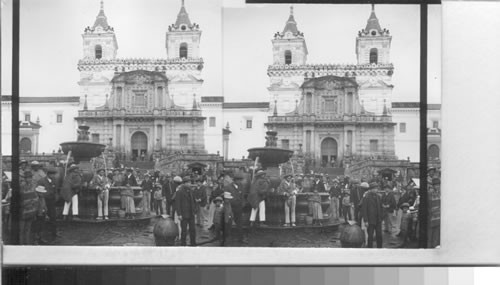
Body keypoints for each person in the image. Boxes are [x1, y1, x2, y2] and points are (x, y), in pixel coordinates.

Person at [36, 167, 58, 241]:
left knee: (53, 217)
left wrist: (55, 197)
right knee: (42, 219)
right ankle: (40, 236)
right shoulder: (41, 181)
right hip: (44, 201)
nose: (54, 176)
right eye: (52, 174)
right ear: (48, 174)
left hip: (51, 202)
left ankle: (54, 233)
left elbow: (55, 190)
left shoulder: (54, 180)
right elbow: (39, 193)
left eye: (54, 174)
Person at [175, 176, 197, 246]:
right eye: (188, 182)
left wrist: (195, 211)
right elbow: (177, 204)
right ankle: (183, 243)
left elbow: (194, 201)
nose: (190, 184)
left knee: (192, 230)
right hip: (183, 215)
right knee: (184, 230)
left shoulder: (191, 191)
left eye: (190, 182)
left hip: (191, 214)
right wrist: (179, 214)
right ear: (184, 183)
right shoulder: (179, 192)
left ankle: (193, 243)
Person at [225, 172, 247, 242]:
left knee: (240, 223)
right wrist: (234, 201)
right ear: (235, 180)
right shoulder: (228, 187)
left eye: (241, 180)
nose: (240, 181)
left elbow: (243, 196)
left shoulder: (241, 186)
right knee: (228, 223)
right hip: (230, 208)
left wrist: (243, 203)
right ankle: (227, 238)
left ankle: (241, 238)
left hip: (239, 208)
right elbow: (227, 199)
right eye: (239, 180)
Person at [361, 182, 384, 248]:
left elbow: (381, 207)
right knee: (370, 236)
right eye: (374, 188)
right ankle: (370, 248)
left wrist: (381, 218)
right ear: (370, 189)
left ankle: (380, 248)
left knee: (379, 235)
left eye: (376, 188)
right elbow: (364, 210)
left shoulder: (378, 197)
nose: (376, 190)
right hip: (370, 221)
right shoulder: (366, 197)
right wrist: (366, 221)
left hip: (378, 220)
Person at [19, 171, 39, 245]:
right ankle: (21, 245)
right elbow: (22, 198)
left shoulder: (33, 186)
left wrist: (33, 200)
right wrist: (31, 200)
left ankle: (26, 244)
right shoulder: (21, 186)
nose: (29, 179)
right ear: (25, 178)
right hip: (23, 211)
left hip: (31, 211)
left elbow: (36, 197)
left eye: (30, 178)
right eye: (27, 178)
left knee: (28, 229)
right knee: (21, 230)